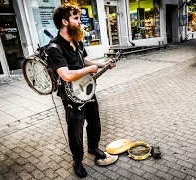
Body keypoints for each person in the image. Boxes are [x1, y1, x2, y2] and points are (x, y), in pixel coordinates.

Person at [48, 4, 116, 178]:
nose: (80, 22)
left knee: (95, 123)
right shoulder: (54, 48)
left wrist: (102, 64)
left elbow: (83, 60)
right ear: (65, 21)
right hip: (71, 97)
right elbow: (66, 75)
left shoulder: (76, 41)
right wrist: (90, 70)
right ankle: (77, 161)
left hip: (87, 90)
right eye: (76, 18)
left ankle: (93, 147)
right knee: (75, 131)